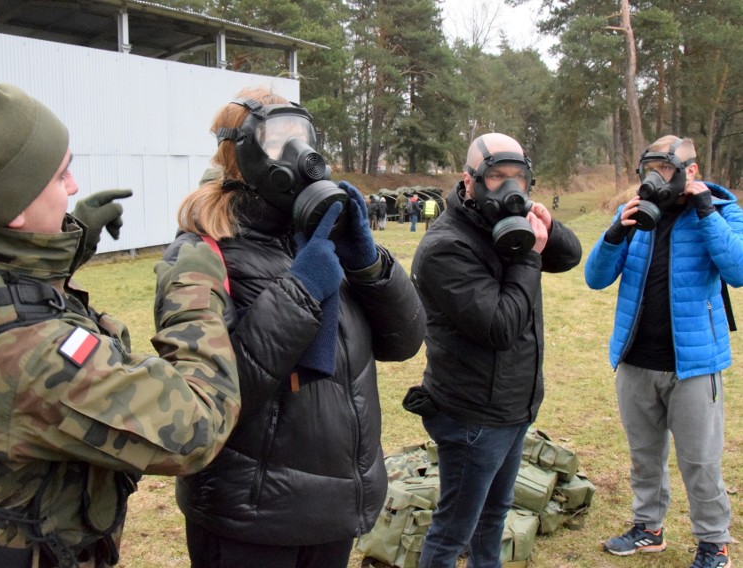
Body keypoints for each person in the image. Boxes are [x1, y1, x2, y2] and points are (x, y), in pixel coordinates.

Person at [0, 71, 241, 567]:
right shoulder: (34, 356)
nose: (73, 184)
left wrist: (69, 242)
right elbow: (198, 425)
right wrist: (193, 287)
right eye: (59, 175)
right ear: (11, 207)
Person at [162, 86, 426, 568]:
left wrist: (368, 265)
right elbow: (207, 397)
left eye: (301, 138)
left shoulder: (321, 239)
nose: (299, 156)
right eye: (277, 142)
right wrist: (301, 290)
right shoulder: (202, 253)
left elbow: (405, 340)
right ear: (238, 157)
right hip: (251, 520)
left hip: (333, 510)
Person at [407, 133, 582, 568]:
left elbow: (571, 255)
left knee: (495, 516)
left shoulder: (508, 224)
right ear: (469, 182)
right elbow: (501, 326)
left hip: (512, 408)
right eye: (496, 178)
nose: (508, 189)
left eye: (518, 179)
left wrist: (545, 223)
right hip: (472, 417)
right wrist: (529, 257)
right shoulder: (446, 247)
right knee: (452, 532)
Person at [585, 135, 743, 568]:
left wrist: (707, 211)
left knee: (700, 461)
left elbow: (738, 269)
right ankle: (648, 528)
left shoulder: (725, 212)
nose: (657, 178)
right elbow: (595, 278)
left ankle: (714, 543)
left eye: (667, 168)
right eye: (650, 168)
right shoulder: (635, 215)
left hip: (694, 364)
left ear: (691, 171)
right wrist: (618, 229)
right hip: (636, 360)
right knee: (644, 455)